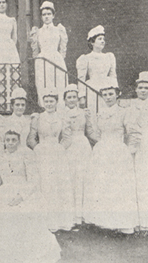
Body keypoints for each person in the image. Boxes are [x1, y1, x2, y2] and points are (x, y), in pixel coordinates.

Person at [0, 128, 61, 262]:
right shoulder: (0, 157)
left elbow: (33, 179)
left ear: (19, 141)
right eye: (8, 140)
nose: (10, 143)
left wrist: (21, 196)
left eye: (13, 140)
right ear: (4, 142)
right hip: (5, 192)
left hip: (25, 191)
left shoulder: (26, 154)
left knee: (25, 214)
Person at [83, 78, 138, 233]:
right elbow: (96, 135)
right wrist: (88, 120)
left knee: (117, 186)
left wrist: (128, 150)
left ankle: (121, 223)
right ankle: (105, 222)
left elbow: (132, 133)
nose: (108, 97)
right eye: (105, 94)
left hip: (118, 151)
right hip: (102, 150)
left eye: (111, 94)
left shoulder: (123, 112)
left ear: (117, 94)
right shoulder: (100, 114)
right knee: (102, 185)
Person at [27, 88, 74, 231]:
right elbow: (31, 138)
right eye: (46, 101)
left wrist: (60, 148)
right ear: (43, 102)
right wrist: (37, 148)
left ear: (56, 102)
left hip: (57, 154)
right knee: (44, 184)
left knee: (58, 186)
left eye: (51, 101)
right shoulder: (38, 118)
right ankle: (45, 221)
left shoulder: (62, 118)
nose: (48, 104)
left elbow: (67, 138)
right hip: (42, 153)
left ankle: (60, 220)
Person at [60, 84, 97, 224]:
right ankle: (70, 214)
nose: (71, 100)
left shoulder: (84, 113)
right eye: (69, 97)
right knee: (70, 177)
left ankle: (82, 214)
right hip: (68, 147)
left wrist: (102, 142)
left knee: (83, 177)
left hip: (82, 146)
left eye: (74, 97)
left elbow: (90, 131)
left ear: (78, 99)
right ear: (64, 99)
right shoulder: (60, 114)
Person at [125, 72, 148, 230]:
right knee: (137, 179)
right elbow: (130, 127)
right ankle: (138, 219)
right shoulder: (131, 106)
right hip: (137, 145)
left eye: (146, 88)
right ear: (136, 90)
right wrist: (132, 146)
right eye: (140, 88)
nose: (143, 90)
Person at [30, 1, 68, 108]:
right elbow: (35, 51)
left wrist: (58, 58)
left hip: (56, 59)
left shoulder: (58, 30)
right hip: (42, 61)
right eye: (44, 14)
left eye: (49, 14)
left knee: (58, 82)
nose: (46, 17)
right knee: (43, 83)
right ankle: (45, 106)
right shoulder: (38, 32)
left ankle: (59, 106)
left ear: (53, 15)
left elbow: (62, 48)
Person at [76, 25, 117, 114]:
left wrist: (116, 92)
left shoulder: (109, 56)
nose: (102, 41)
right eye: (99, 39)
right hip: (92, 88)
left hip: (107, 88)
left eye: (103, 39)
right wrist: (82, 96)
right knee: (94, 112)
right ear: (92, 42)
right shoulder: (86, 58)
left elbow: (113, 75)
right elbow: (81, 79)